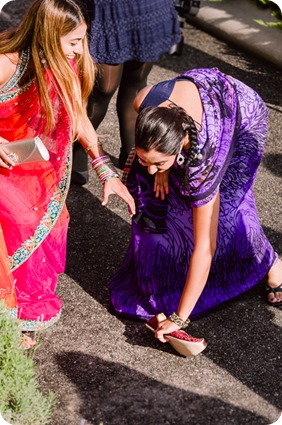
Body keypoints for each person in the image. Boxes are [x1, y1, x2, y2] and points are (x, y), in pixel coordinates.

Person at [109, 67, 282, 347]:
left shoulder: (204, 165)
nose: (151, 170)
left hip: (244, 119)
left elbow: (205, 247)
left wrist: (178, 319)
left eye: (159, 163)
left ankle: (271, 262)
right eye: (145, 160)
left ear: (180, 146)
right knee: (170, 199)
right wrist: (162, 167)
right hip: (200, 113)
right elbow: (152, 141)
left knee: (226, 209)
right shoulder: (146, 101)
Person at [0, 0, 135, 333]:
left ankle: (22, 304)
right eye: (74, 41)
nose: (80, 50)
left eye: (82, 40)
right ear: (48, 35)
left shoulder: (63, 61)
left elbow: (77, 115)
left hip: (29, 158)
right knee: (22, 217)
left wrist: (105, 170)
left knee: (55, 219)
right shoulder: (5, 63)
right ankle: (12, 313)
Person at [71, 0, 182, 185]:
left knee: (136, 82)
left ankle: (132, 152)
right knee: (102, 89)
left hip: (147, 8)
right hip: (108, 8)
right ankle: (80, 147)